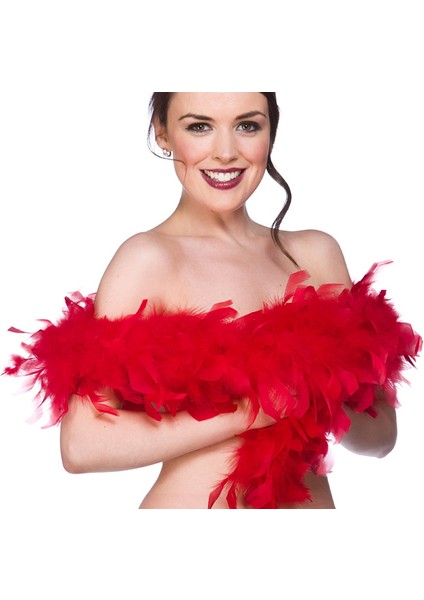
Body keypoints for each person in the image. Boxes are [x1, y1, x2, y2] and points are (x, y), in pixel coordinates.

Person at [5, 92, 421, 509]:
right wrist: (255, 410)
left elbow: (382, 438)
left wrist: (321, 395)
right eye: (199, 126)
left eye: (247, 126)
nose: (225, 152)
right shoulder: (149, 259)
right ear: (162, 133)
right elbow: (82, 446)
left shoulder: (317, 254)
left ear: (271, 132)